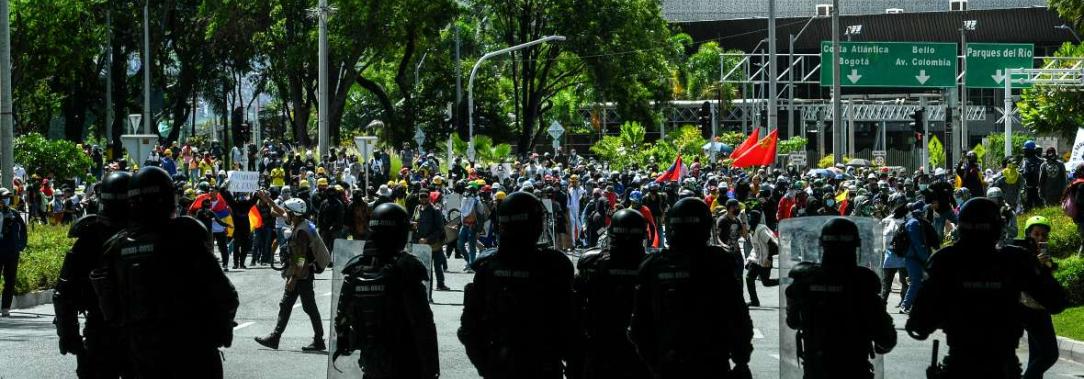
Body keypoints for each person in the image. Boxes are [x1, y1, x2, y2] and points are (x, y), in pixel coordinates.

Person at [92, 167, 238, 376]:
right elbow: (226, 294)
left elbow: (109, 310)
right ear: (167, 199)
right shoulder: (185, 236)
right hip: (190, 350)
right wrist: (219, 331)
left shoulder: (115, 247)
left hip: (140, 355)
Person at [906, 198, 1068, 379]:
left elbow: (919, 324)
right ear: (998, 229)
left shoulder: (946, 260)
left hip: (962, 365)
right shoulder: (1015, 259)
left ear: (962, 228)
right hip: (1001, 366)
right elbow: (1057, 302)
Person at [458, 192, 581, 378]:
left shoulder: (487, 267)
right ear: (533, 225)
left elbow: (469, 330)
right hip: (542, 365)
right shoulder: (554, 265)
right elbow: (570, 325)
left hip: (503, 365)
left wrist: (487, 367)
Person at [628, 198, 753, 379]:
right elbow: (737, 316)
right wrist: (741, 359)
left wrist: (655, 365)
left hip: (674, 362)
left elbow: (639, 326)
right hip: (710, 363)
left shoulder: (653, 265)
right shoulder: (718, 262)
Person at [333, 203, 439, 378]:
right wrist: (431, 370)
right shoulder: (406, 269)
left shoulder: (355, 270)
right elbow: (423, 326)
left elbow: (342, 324)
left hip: (371, 364)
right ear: (399, 233)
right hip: (405, 365)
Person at [785, 218, 897, 379]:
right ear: (855, 246)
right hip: (854, 371)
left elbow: (793, 322)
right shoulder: (864, 282)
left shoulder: (806, 280)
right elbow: (885, 340)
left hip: (815, 371)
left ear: (822, 245)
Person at [53, 172, 130, 377]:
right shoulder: (91, 234)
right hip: (137, 333)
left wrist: (68, 336)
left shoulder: (91, 234)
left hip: (111, 333)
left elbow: (63, 293)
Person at [573, 209, 650, 379]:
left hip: (601, 344)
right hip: (638, 349)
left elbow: (575, 308)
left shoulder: (592, 263)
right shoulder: (652, 266)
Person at [253, 190, 332, 352]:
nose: (285, 213)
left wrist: (293, 278)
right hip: (300, 271)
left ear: (294, 214)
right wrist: (267, 199)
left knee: (309, 307)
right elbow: (280, 211)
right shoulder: (301, 222)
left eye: (288, 212)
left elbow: (301, 258)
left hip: (302, 274)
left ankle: (318, 340)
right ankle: (275, 337)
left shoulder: (301, 232)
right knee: (286, 304)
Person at [1013, 216, 1061, 379]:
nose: (1040, 238)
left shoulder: (1043, 253)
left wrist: (1048, 265)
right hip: (1028, 309)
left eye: (1044, 235)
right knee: (1050, 355)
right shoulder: (1020, 253)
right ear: (1028, 235)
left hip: (1042, 307)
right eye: (1036, 234)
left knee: (1037, 355)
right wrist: (1035, 264)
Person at [412, 191, 449, 291]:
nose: (423, 198)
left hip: (434, 244)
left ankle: (440, 285)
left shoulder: (435, 210)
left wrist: (427, 239)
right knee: (424, 267)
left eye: (425, 196)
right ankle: (425, 290)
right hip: (420, 244)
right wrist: (412, 225)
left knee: (437, 266)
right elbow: (413, 222)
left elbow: (440, 229)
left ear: (429, 197)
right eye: (421, 196)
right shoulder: (417, 208)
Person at [0, 187, 27, 317]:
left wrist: (20, 246)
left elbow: (23, 231)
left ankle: (5, 308)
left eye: (7, 197)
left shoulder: (14, 214)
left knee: (10, 280)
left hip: (12, 251)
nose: (6, 200)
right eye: (4, 197)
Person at [744, 210, 779, 307]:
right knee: (749, 278)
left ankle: (785, 281)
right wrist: (750, 259)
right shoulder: (753, 229)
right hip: (757, 259)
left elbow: (774, 245)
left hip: (765, 260)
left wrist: (769, 258)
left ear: (756, 219)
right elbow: (756, 246)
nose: (749, 219)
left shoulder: (761, 230)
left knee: (766, 282)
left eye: (751, 217)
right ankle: (754, 301)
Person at [880, 204, 909, 307]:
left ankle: (883, 303)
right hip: (902, 257)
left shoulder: (888, 221)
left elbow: (882, 223)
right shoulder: (907, 222)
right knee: (904, 281)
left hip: (890, 256)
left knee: (887, 283)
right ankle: (903, 302)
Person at [1021, 140, 1044, 211]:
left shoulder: (1026, 161)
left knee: (1028, 208)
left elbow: (1025, 174)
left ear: (1029, 151)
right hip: (1039, 188)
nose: (1024, 152)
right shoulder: (1042, 161)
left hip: (1029, 189)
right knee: (1040, 208)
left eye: (1025, 150)